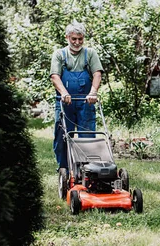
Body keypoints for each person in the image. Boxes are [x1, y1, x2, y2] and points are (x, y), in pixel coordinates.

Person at [50, 21, 104, 173]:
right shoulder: (60, 54)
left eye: (80, 39)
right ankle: (64, 168)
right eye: (74, 39)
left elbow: (97, 74)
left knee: (87, 135)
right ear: (67, 37)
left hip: (85, 102)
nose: (77, 42)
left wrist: (93, 92)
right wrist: (64, 92)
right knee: (62, 135)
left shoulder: (90, 54)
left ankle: (86, 169)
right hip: (64, 102)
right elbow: (55, 76)